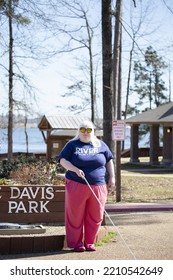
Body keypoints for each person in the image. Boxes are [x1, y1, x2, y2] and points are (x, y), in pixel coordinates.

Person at [57, 119, 115, 252]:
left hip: (99, 186)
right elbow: (63, 160)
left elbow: (109, 160)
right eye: (83, 129)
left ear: (93, 131)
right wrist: (74, 169)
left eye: (89, 130)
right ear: (79, 131)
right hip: (77, 184)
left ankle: (89, 242)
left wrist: (112, 177)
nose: (85, 132)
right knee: (75, 215)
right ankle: (76, 243)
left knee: (96, 215)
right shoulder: (72, 145)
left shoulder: (100, 145)